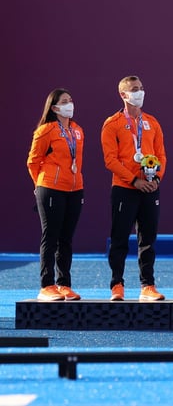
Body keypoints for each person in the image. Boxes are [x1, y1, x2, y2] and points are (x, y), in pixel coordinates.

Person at [101, 75, 167, 301]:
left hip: (150, 188)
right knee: (119, 238)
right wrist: (133, 180)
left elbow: (161, 156)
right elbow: (110, 160)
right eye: (134, 89)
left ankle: (147, 285)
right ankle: (116, 284)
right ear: (123, 94)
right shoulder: (112, 124)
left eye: (141, 88)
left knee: (148, 238)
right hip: (124, 188)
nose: (140, 92)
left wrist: (156, 179)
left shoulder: (153, 122)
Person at [26, 88, 85, 301]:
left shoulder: (77, 130)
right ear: (54, 107)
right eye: (65, 101)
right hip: (50, 188)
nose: (70, 104)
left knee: (66, 239)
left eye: (71, 100)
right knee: (50, 236)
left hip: (75, 188)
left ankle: (64, 284)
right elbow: (33, 161)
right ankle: (46, 285)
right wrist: (41, 185)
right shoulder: (45, 131)